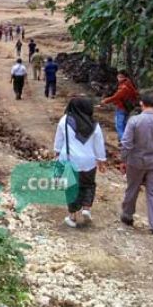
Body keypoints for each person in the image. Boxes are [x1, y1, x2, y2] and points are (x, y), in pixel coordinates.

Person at [119, 92, 153, 237]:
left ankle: (127, 215)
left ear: (141, 104)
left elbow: (126, 143)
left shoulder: (134, 121)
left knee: (132, 188)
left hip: (135, 161)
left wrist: (123, 160)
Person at [54, 97, 107, 227]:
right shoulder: (94, 124)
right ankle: (86, 208)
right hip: (89, 161)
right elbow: (99, 144)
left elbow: (59, 140)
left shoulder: (65, 120)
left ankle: (72, 217)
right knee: (88, 184)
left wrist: (56, 153)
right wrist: (101, 160)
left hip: (70, 160)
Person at [102, 70, 138, 142]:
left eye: (120, 77)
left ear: (123, 77)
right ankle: (122, 139)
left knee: (119, 125)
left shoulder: (123, 87)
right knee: (124, 124)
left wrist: (105, 101)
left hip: (121, 107)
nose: (118, 78)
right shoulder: (129, 84)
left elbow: (116, 96)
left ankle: (123, 141)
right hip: (128, 107)